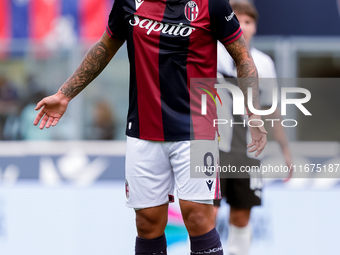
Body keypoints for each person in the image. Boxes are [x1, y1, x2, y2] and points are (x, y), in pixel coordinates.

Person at [34, 0, 267, 254]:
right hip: (143, 129)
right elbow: (105, 46)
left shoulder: (213, 4)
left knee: (199, 217)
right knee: (147, 223)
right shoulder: (128, 2)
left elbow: (242, 56)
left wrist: (253, 112)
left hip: (198, 129)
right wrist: (65, 94)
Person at [214, 1, 292, 255]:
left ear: (255, 27)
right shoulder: (209, 53)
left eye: (248, 22)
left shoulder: (264, 64)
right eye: (237, 20)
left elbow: (271, 111)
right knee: (206, 214)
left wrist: (285, 150)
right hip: (210, 150)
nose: (243, 27)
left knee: (241, 216)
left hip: (247, 152)